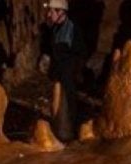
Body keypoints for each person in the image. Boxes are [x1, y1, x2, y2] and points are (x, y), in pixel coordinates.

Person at [39, 0, 87, 142]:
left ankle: (70, 131)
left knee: (69, 100)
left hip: (69, 72)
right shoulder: (55, 28)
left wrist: (76, 70)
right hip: (60, 71)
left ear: (61, 12)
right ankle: (60, 128)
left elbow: (81, 52)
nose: (49, 14)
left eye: (52, 11)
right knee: (57, 100)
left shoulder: (72, 28)